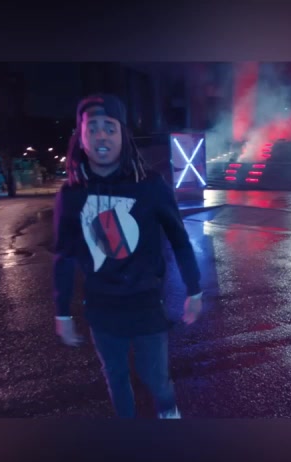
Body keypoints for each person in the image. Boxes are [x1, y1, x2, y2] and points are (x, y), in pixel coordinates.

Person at [52, 93, 203, 419]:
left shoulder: (150, 185)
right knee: (116, 380)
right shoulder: (71, 194)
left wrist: (194, 290)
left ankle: (169, 417)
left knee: (157, 379)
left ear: (123, 135)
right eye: (92, 128)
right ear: (81, 137)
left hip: (146, 304)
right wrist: (62, 312)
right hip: (101, 309)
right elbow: (63, 256)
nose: (102, 136)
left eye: (110, 128)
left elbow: (179, 238)